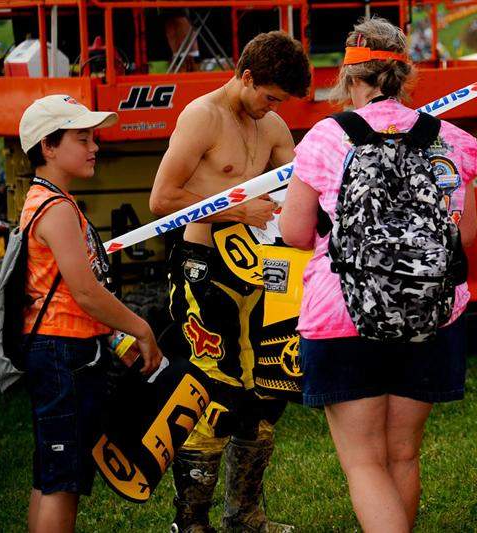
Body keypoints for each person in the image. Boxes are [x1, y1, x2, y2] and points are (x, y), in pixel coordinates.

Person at [279, 17, 477, 532]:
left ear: (349, 77)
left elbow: (296, 232)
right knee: (403, 455)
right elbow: (467, 235)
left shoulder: (326, 138)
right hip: (432, 312)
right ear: (405, 75)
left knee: (365, 463)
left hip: (343, 314)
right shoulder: (451, 139)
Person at [149, 31, 310, 533]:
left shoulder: (273, 124)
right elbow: (161, 199)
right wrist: (238, 209)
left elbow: (301, 187)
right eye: (269, 97)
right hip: (203, 261)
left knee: (266, 391)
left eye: (280, 102)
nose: (272, 108)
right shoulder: (202, 116)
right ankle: (191, 523)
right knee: (214, 389)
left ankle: (245, 517)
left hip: (260, 265)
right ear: (246, 76)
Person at [17, 95, 162, 532]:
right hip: (64, 354)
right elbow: (85, 291)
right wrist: (141, 328)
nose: (94, 147)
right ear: (48, 146)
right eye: (82, 139)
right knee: (65, 481)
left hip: (57, 351)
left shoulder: (47, 200)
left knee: (52, 475)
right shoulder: (57, 208)